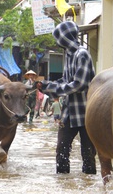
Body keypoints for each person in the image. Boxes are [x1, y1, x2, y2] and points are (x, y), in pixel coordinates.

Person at [40, 21, 97, 175]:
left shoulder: (82, 54)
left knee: (88, 155)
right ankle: (64, 186)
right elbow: (65, 81)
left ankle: (88, 186)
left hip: (85, 112)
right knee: (61, 152)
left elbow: (79, 84)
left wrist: (53, 88)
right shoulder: (69, 55)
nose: (58, 42)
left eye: (59, 38)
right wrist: (46, 85)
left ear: (65, 38)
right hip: (68, 113)